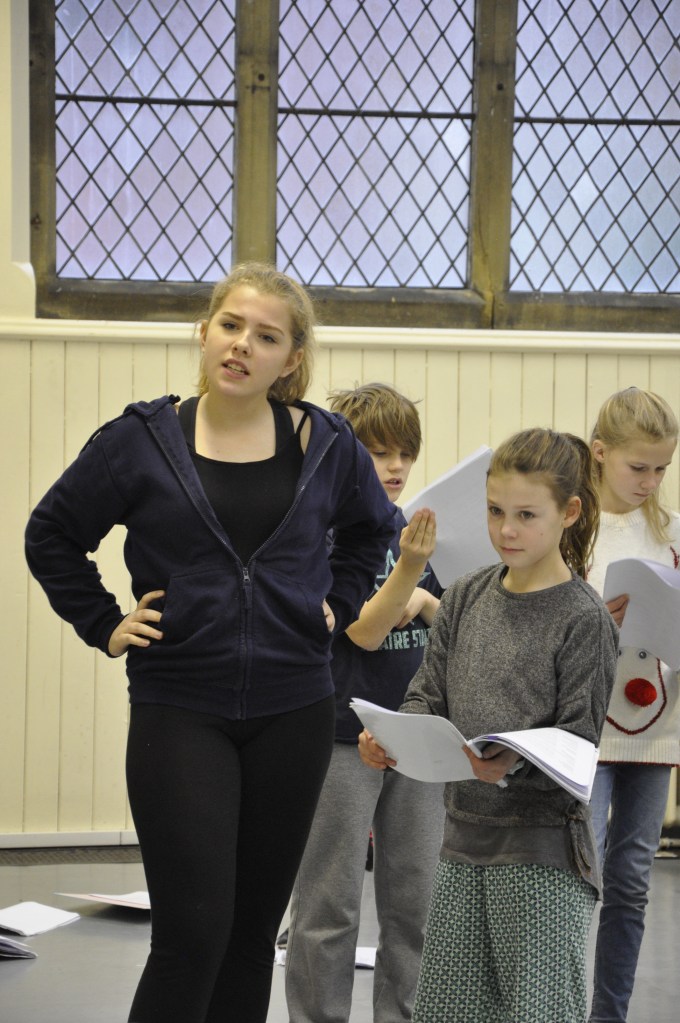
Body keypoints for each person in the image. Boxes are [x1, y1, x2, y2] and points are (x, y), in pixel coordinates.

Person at [24, 263, 397, 1023]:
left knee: (251, 939)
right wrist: (104, 621)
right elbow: (52, 533)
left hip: (295, 709)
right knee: (192, 934)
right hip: (180, 707)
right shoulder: (140, 441)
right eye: (231, 326)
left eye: (266, 336)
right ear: (204, 333)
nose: (242, 345)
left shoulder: (325, 443)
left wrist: (338, 602)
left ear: (290, 358)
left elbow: (372, 530)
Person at [359, 427, 619, 1023]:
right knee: (447, 1013)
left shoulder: (584, 618)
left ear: (569, 513)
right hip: (461, 846)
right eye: (495, 511)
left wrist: (513, 760)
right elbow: (427, 695)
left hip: (544, 857)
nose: (506, 530)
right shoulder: (465, 595)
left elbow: (579, 740)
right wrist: (393, 739)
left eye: (526, 515)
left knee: (536, 1013)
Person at [285, 383, 445, 1023]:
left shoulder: (415, 530)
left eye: (406, 452)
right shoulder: (322, 532)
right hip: (339, 737)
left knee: (417, 903)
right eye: (380, 453)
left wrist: (424, 596)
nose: (397, 466)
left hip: (417, 736)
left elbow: (448, 622)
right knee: (329, 904)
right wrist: (409, 574)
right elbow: (364, 630)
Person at [586, 387, 680, 1023]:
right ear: (599, 453)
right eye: (637, 466)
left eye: (662, 469)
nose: (649, 481)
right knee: (582, 875)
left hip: (656, 726)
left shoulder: (670, 534)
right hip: (587, 728)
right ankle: (563, 1006)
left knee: (632, 882)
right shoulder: (573, 528)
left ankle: (609, 1014)